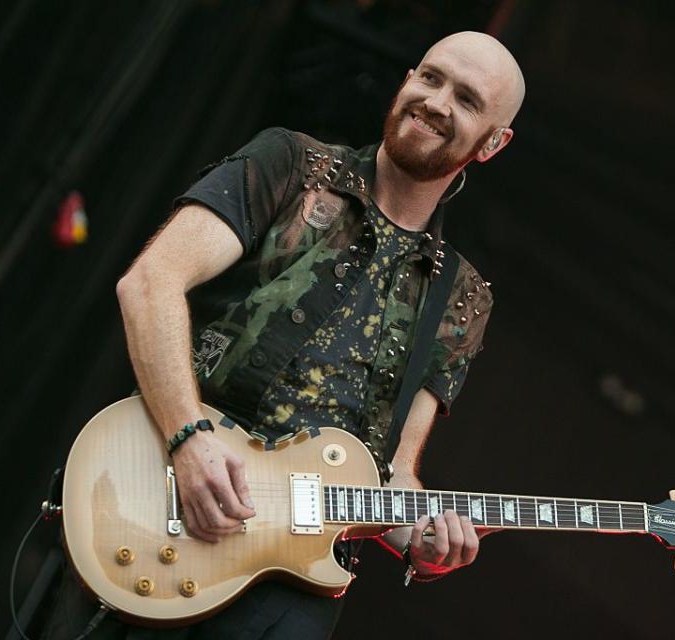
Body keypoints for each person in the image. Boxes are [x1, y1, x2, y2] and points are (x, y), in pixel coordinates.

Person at [41, 30, 525, 639]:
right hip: (162, 503)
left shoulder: (461, 295)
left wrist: (423, 544)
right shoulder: (292, 165)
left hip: (291, 585)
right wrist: (188, 436)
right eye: (429, 77)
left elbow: (395, 471)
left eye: (467, 99)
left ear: (492, 143)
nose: (436, 101)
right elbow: (149, 284)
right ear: (406, 80)